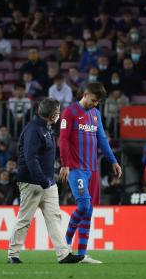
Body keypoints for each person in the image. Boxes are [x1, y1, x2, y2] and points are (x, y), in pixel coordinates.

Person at [7, 99, 82, 264]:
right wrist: (42, 180)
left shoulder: (44, 129)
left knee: (54, 218)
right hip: (32, 182)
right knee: (25, 218)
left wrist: (48, 180)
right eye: (58, 113)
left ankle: (63, 254)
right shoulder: (34, 130)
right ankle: (13, 254)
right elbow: (30, 158)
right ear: (53, 115)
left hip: (47, 183)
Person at [58, 83, 122, 264]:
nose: (95, 104)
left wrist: (113, 161)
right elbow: (62, 140)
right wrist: (65, 164)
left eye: (98, 102)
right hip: (75, 168)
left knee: (89, 211)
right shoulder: (69, 112)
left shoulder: (95, 115)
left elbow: (102, 139)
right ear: (85, 94)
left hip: (92, 169)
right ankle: (65, 246)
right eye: (93, 100)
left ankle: (82, 254)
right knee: (84, 205)